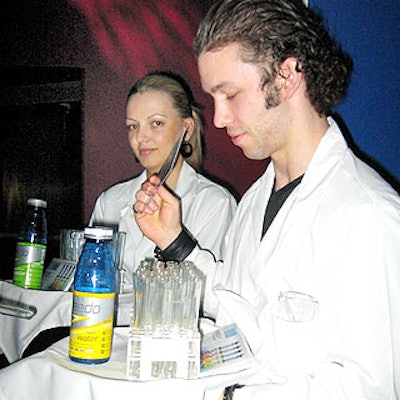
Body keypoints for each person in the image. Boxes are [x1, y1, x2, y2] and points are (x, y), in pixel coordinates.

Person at [133, 1, 400, 399]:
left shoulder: (368, 216)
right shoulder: (256, 199)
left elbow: (371, 389)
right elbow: (243, 308)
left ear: (287, 76)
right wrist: (175, 241)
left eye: (231, 95)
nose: (220, 118)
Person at [91, 71, 237, 287]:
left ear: (186, 129)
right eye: (133, 126)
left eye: (156, 123)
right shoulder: (109, 201)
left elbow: (211, 295)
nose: (141, 137)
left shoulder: (215, 203)